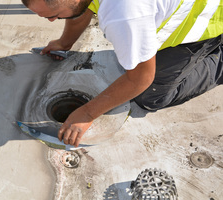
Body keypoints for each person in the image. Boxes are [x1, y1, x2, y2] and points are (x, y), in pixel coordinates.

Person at [21, 0, 223, 147]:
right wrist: (65, 43)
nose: (51, 20)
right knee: (129, 57)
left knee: (149, 94)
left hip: (206, 17)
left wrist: (87, 113)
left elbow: (141, 78)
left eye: (52, 14)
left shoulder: (123, 13)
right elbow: (82, 8)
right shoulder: (82, 3)